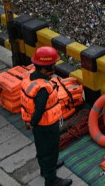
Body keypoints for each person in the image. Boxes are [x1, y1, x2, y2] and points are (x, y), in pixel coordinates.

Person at [21, 46, 71, 186]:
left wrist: (29, 122)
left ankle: (46, 169)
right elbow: (39, 109)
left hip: (38, 125)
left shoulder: (30, 79)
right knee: (50, 150)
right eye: (52, 65)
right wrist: (33, 122)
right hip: (46, 125)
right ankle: (51, 180)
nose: (54, 68)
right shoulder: (42, 88)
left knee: (42, 148)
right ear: (44, 68)